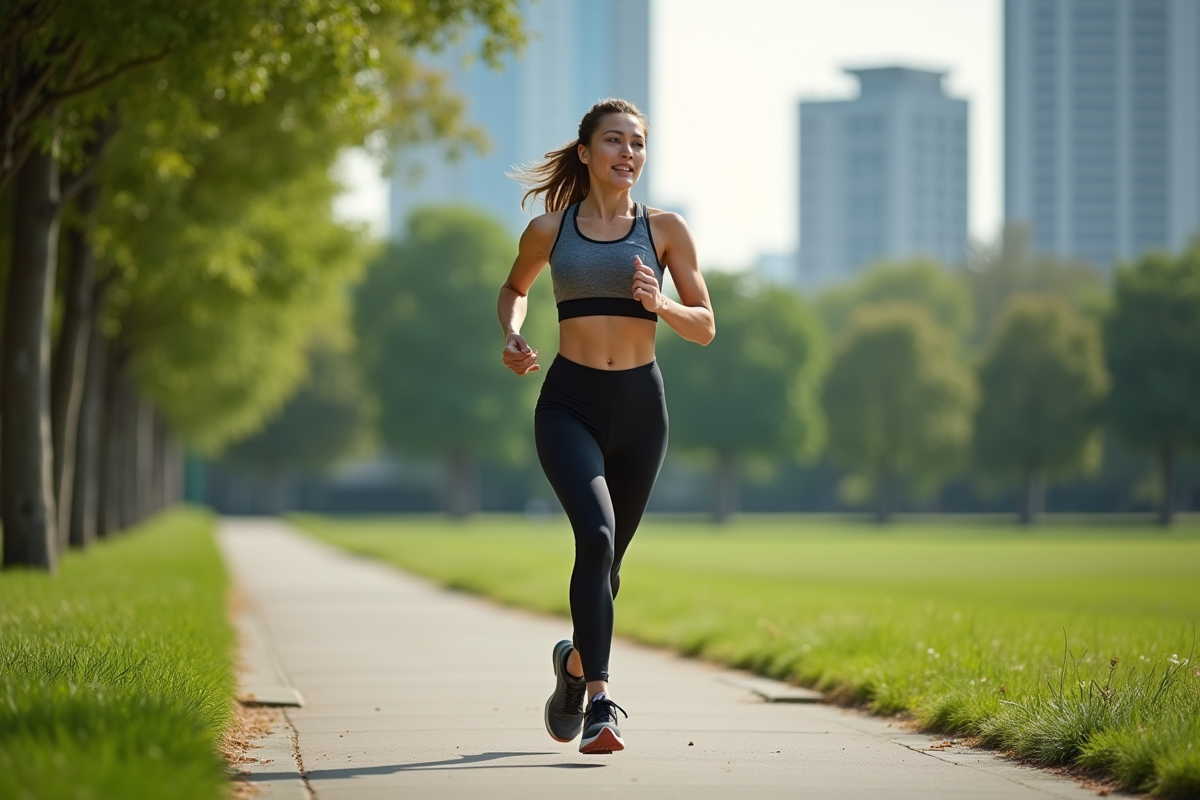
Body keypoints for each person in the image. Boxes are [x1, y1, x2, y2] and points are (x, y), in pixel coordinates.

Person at [497, 98, 715, 755]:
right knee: (595, 536)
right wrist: (512, 334)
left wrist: (661, 303)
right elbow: (515, 290)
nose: (628, 153)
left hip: (642, 411)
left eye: (638, 143)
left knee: (608, 568)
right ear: (586, 152)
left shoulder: (666, 229)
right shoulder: (549, 230)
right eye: (615, 141)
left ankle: (571, 665)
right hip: (569, 405)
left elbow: (705, 326)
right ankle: (598, 702)